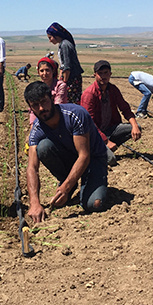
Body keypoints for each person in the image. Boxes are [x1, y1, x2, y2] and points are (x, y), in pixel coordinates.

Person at [24, 81, 108, 223]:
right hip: (71, 158)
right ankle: (70, 181)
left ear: (51, 98)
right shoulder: (37, 130)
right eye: (35, 105)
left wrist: (65, 188)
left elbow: (84, 156)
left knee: (94, 204)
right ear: (30, 108)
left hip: (93, 159)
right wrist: (34, 203)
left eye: (44, 102)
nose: (41, 108)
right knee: (43, 147)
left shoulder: (74, 115)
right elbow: (32, 168)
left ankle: (83, 183)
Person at [81, 60, 142, 166]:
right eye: (100, 73)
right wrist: (106, 141)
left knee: (136, 128)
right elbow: (89, 123)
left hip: (109, 129)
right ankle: (97, 148)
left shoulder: (113, 90)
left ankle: (106, 147)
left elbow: (125, 108)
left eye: (106, 73)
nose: (103, 76)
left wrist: (135, 125)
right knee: (112, 160)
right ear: (95, 75)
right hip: (93, 134)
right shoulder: (89, 94)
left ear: (110, 74)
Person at [46, 22, 84, 104]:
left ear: (55, 35)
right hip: (70, 78)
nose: (50, 40)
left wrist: (64, 83)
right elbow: (62, 66)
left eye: (50, 37)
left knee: (68, 103)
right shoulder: (63, 44)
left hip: (71, 79)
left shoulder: (64, 45)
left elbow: (67, 66)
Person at [28, 57, 68, 126]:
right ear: (38, 72)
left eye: (47, 70)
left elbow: (58, 106)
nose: (45, 73)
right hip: (41, 120)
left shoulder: (60, 86)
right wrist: (32, 125)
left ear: (53, 71)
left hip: (57, 120)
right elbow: (33, 109)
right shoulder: (37, 88)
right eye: (41, 71)